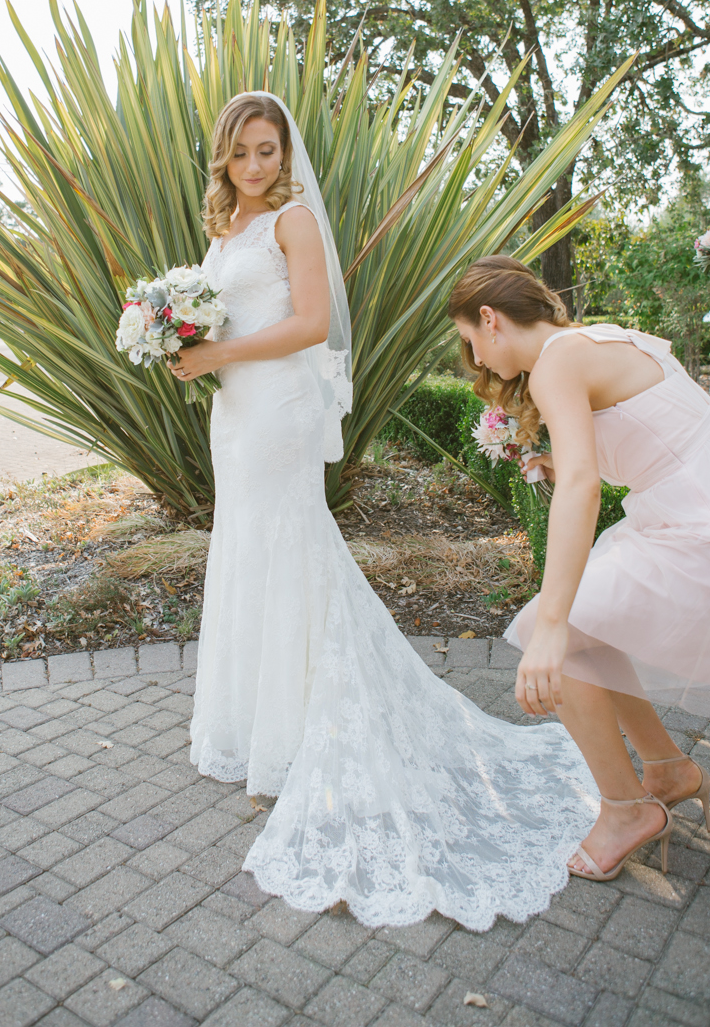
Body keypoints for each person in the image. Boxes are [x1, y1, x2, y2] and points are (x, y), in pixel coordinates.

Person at [170, 92, 598, 930]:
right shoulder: (226, 228)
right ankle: (261, 722)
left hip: (280, 404)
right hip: (235, 408)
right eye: (241, 153)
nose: (255, 166)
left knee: (284, 539)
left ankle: (299, 725)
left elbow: (312, 325)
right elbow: (221, 309)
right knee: (249, 544)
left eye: (268, 150)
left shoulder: (293, 219)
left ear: (282, 153)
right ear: (221, 156)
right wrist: (181, 338)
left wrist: (216, 351)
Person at [448, 255, 710, 882]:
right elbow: (650, 441)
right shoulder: (596, 339)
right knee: (587, 626)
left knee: (549, 631)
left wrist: (553, 621)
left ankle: (625, 810)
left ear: (491, 319)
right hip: (704, 510)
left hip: (705, 533)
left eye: (471, 342)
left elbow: (583, 487)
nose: (475, 361)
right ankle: (666, 768)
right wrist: (559, 463)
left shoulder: (556, 361)